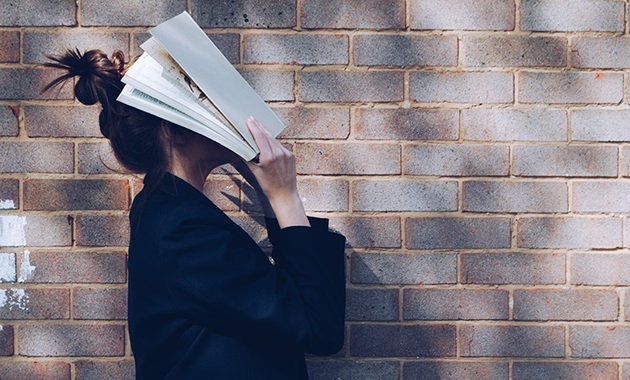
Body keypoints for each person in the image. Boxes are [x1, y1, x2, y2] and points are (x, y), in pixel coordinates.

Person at [43, 49, 346, 379]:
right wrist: (286, 196)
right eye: (205, 103)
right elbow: (319, 327)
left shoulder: (170, 212)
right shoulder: (180, 230)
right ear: (175, 130)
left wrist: (268, 194)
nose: (224, 113)